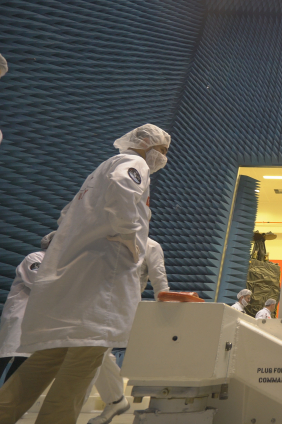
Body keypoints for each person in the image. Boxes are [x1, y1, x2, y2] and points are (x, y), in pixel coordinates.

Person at [0, 124, 171, 424]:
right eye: (162, 150)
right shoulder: (134, 162)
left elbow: (65, 217)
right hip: (101, 286)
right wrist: (133, 242)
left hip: (75, 286)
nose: (163, 157)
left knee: (44, 361)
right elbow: (123, 191)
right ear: (146, 143)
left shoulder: (99, 171)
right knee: (81, 369)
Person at [86, 237, 170, 424]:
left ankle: (70, 409)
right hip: (95, 303)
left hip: (122, 308)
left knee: (90, 354)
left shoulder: (151, 246)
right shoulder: (107, 237)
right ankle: (115, 399)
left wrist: (166, 321)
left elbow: (160, 285)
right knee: (96, 354)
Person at [0, 232, 54, 386]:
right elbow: (39, 283)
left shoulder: (63, 264)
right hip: (20, 315)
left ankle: (7, 398)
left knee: (23, 361)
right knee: (5, 356)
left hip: (39, 320)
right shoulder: (36, 257)